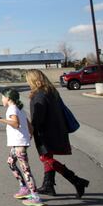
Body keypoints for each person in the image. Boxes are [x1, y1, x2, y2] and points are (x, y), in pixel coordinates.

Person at [25, 69, 89, 198]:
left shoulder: (39, 95)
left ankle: (77, 181)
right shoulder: (51, 91)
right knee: (48, 157)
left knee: (46, 158)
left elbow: (38, 118)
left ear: (32, 80)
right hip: (56, 130)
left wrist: (30, 131)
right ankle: (48, 185)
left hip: (45, 132)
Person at [0, 88, 44, 206]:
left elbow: (16, 124)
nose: (1, 100)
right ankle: (24, 188)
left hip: (19, 145)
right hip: (18, 144)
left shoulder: (12, 109)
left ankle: (35, 196)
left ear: (8, 98)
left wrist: (0, 119)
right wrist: (28, 136)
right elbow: (30, 127)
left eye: (2, 97)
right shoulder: (20, 109)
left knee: (26, 170)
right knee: (11, 162)